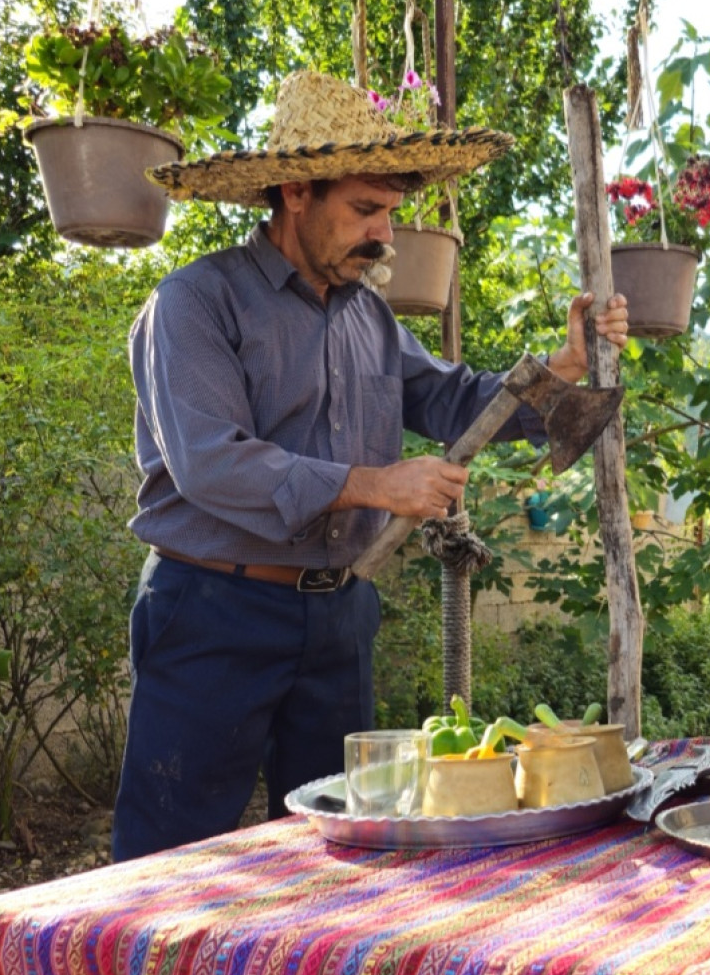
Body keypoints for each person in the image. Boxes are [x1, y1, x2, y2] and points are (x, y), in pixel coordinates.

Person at [114, 70, 629, 861]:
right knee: (173, 858)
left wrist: (561, 366)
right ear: (294, 192)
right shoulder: (195, 302)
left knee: (344, 849)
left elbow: (463, 405)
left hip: (339, 614)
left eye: (390, 212)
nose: (385, 235)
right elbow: (211, 464)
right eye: (364, 210)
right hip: (214, 605)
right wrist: (374, 486)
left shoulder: (370, 319)